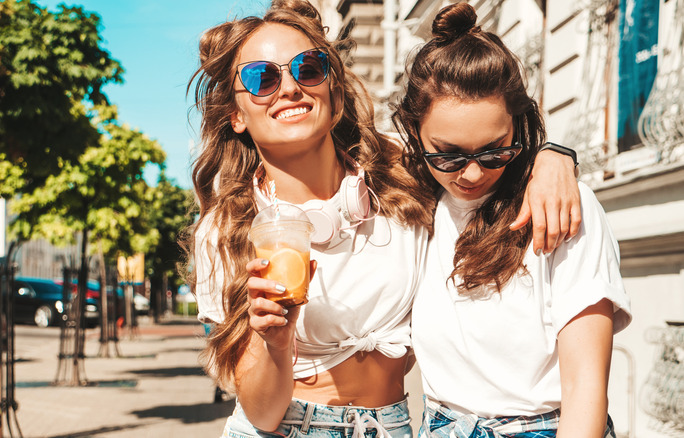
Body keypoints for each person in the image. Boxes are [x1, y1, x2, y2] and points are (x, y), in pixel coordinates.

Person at [186, 1, 580, 437]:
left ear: (334, 92)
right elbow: (261, 414)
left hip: (390, 426)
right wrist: (276, 344)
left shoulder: (400, 172)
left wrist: (552, 157)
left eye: (308, 68)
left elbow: (481, 150)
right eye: (262, 78)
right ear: (235, 114)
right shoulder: (224, 233)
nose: (290, 87)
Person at [391, 3, 632, 437]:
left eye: (494, 151)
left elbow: (586, 389)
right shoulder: (415, 200)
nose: (471, 174)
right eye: (447, 154)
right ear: (413, 131)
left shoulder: (562, 207)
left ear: (518, 129)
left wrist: (556, 155)